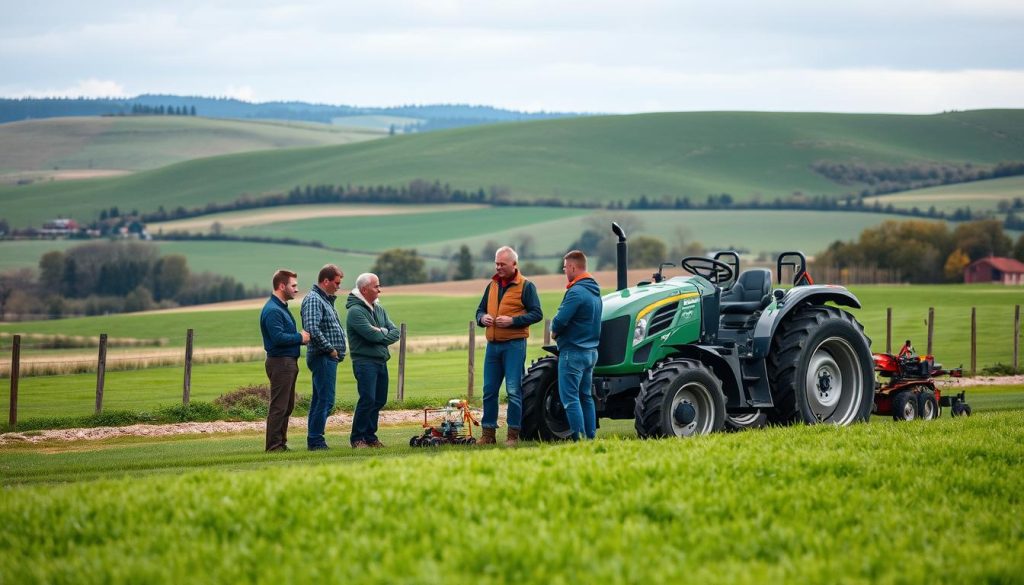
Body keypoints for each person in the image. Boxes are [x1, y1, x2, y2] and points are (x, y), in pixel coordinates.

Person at [475, 246, 543, 445]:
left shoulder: (526, 286)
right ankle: (488, 435)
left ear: (514, 264)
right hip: (493, 346)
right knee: (489, 390)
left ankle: (513, 434)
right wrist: (483, 318)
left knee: (513, 390)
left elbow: (537, 313)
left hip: (514, 345)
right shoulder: (492, 286)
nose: (498, 267)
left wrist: (513, 321)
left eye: (502, 264)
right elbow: (479, 310)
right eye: (496, 263)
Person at [551, 250, 602, 441]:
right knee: (585, 397)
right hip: (591, 352)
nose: (565, 271)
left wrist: (555, 331)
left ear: (573, 267)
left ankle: (578, 440)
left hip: (573, 352)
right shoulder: (594, 291)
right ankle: (590, 439)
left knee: (570, 399)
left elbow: (559, 321)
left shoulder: (576, 292)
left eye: (565, 267)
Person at [346, 273, 401, 448]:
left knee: (379, 400)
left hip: (380, 360)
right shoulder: (355, 312)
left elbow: (396, 332)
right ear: (364, 289)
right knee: (367, 399)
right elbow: (370, 335)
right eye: (376, 286)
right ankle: (357, 438)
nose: (379, 289)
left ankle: (370, 436)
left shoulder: (379, 309)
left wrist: (380, 331)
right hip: (364, 362)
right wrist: (382, 332)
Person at [259, 269, 310, 452]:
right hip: (280, 363)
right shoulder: (273, 310)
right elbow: (278, 338)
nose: (296, 289)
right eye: (293, 285)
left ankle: (281, 443)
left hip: (287, 362)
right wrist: (300, 338)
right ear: (282, 286)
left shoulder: (280, 308)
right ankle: (273, 446)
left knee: (286, 406)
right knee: (279, 407)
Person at [301, 264, 347, 451]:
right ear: (325, 281)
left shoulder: (324, 300)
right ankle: (316, 441)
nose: (338, 286)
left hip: (326, 357)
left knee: (321, 399)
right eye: (336, 283)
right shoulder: (314, 299)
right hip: (323, 357)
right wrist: (331, 350)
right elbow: (312, 328)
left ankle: (315, 438)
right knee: (326, 400)